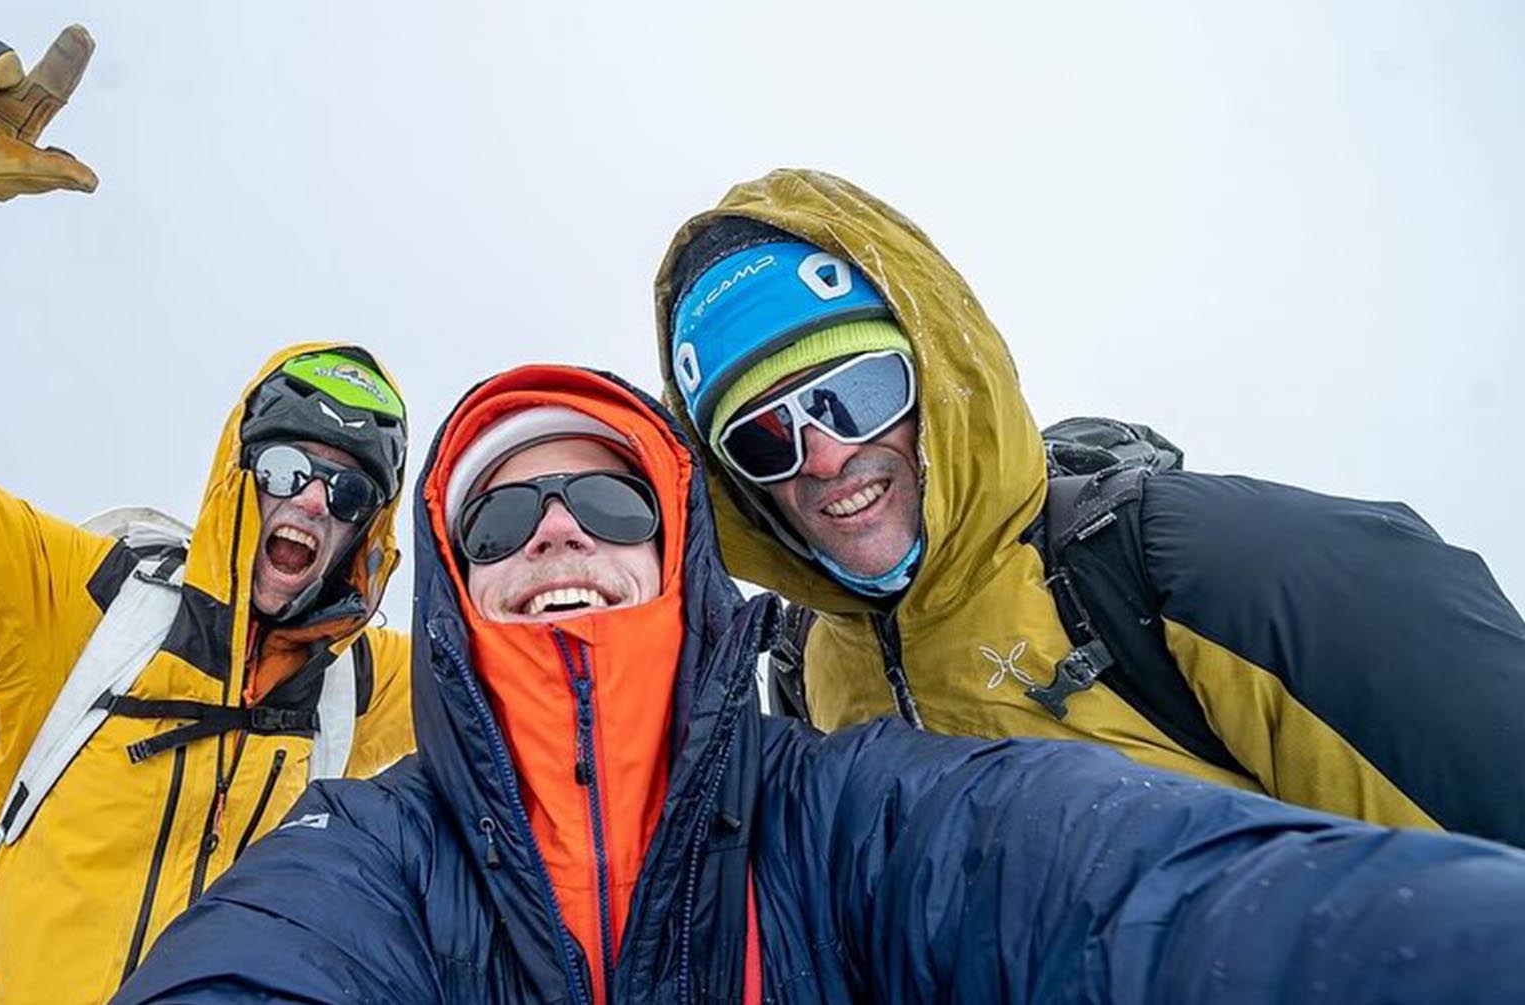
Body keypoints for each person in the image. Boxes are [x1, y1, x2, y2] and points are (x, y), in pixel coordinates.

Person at [111, 363, 1525, 1004]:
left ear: (680, 558)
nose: (552, 533)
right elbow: (266, 960)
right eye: (496, 518)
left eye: (606, 508)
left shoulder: (845, 814)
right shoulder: (377, 849)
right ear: (456, 585)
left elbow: (1121, 891)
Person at [0, 4, 414, 1003]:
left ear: (366, 529)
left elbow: (573, 702)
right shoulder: (83, 605)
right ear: (238, 476)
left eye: (346, 488)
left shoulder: (371, 689)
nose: (309, 500)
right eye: (283, 470)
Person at [654, 169, 1525, 846]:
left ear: (942, 380)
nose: (826, 455)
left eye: (858, 391)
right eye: (764, 439)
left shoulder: (1219, 568)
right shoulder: (810, 682)